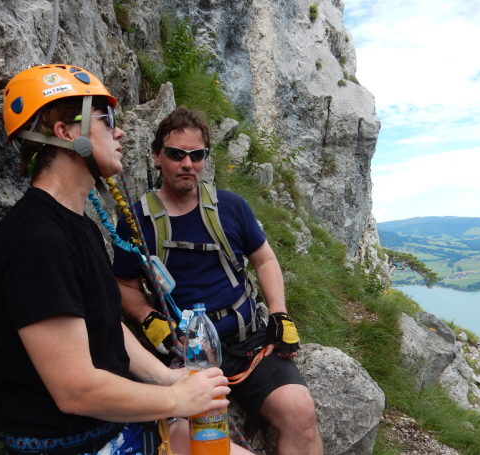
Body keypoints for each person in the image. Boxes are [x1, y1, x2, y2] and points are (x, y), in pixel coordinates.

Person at [0, 65, 249, 455]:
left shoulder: (77, 226)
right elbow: (76, 390)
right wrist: (177, 402)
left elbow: (101, 323)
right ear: (67, 133)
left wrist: (168, 378)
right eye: (106, 121)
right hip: (73, 445)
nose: (119, 132)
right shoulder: (37, 241)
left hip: (116, 431)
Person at [113, 106, 325, 455]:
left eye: (197, 155)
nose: (187, 164)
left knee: (300, 409)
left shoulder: (231, 207)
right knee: (195, 440)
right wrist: (148, 318)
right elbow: (124, 286)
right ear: (156, 156)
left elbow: (265, 258)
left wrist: (279, 314)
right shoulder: (136, 222)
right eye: (176, 154)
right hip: (187, 350)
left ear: (206, 159)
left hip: (247, 342)